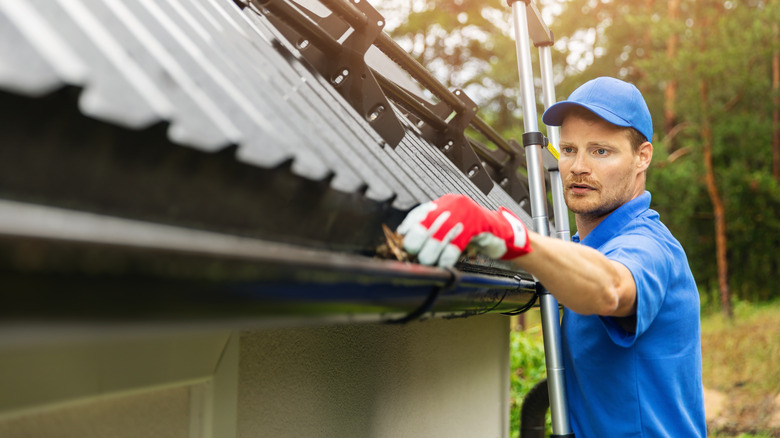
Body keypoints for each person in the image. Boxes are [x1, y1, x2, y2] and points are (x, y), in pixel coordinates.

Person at [396, 77, 706, 437]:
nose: (578, 167)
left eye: (601, 151)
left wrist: (512, 238)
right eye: (570, 149)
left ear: (643, 157)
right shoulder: (583, 248)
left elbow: (611, 287)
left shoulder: (649, 246)